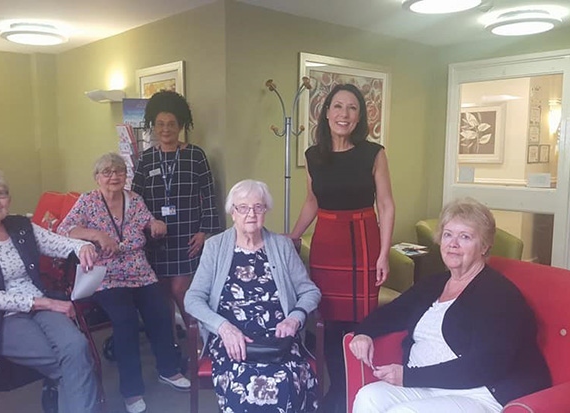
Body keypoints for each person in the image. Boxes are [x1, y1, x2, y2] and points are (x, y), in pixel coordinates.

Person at [348, 198, 551, 413]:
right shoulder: (434, 283)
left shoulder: (499, 296)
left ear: (484, 246)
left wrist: (407, 376)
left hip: (481, 393)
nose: (453, 243)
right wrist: (364, 333)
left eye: (465, 237)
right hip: (427, 386)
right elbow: (393, 312)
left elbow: (484, 366)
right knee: (368, 397)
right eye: (448, 234)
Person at [0, 166, 101, 413]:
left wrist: (82, 247)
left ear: (9, 199)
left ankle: (62, 398)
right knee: (67, 362)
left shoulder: (20, 226)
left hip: (40, 303)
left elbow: (59, 242)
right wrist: (46, 303)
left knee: (77, 348)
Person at [288, 83, 395, 411]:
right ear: (327, 112)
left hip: (364, 239)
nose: (343, 114)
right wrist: (291, 237)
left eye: (351, 108)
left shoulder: (373, 153)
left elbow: (387, 205)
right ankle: (338, 390)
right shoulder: (313, 156)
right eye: (337, 106)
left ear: (359, 116)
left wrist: (384, 253)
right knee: (329, 321)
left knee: (361, 320)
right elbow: (311, 202)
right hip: (327, 242)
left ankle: (358, 388)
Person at [57, 153, 190, 413]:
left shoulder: (135, 199)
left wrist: (156, 223)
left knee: (161, 312)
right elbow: (64, 229)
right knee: (125, 321)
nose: (113, 176)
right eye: (107, 172)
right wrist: (95, 234)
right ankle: (131, 391)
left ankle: (169, 370)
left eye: (118, 171)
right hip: (106, 273)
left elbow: (146, 221)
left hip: (139, 269)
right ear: (97, 178)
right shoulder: (88, 201)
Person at [185, 179, 321, 412]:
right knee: (243, 382)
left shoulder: (282, 246)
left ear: (265, 211)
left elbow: (310, 291)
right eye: (243, 208)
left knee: (285, 379)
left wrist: (295, 317)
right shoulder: (215, 247)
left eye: (258, 207)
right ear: (233, 212)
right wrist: (223, 327)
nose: (251, 214)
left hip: (278, 339)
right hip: (232, 338)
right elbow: (192, 298)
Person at [132, 90, 220, 335]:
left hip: (186, 238)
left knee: (181, 291)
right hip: (156, 239)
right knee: (161, 297)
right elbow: (135, 199)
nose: (165, 129)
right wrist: (148, 224)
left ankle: (199, 341)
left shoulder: (195, 155)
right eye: (160, 124)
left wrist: (204, 232)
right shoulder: (146, 159)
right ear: (154, 126)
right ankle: (170, 345)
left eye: (171, 124)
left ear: (181, 125)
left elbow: (209, 195)